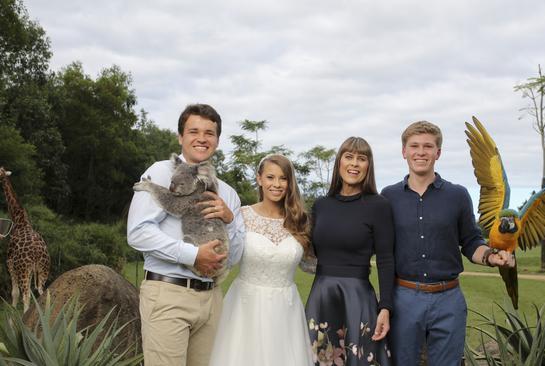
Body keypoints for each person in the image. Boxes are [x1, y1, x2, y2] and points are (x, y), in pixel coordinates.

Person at [380, 121, 515, 366]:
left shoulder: (458, 195)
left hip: (448, 300)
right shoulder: (388, 197)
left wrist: (491, 256)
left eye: (428, 146)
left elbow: (472, 241)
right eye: (414, 146)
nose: (421, 152)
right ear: (404, 151)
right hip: (403, 298)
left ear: (438, 153)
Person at [127, 103, 245, 366]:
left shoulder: (227, 193)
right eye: (193, 131)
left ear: (217, 140)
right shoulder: (160, 172)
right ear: (181, 137)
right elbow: (137, 233)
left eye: (209, 133)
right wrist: (193, 255)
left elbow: (234, 256)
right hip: (169, 294)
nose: (202, 138)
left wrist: (229, 219)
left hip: (212, 298)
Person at [209, 154, 313, 365]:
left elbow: (312, 263)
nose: (276, 184)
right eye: (270, 177)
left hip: (286, 309)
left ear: (290, 182)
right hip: (246, 307)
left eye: (283, 178)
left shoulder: (300, 220)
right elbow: (225, 255)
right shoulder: (241, 215)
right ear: (259, 179)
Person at [306, 136, 394, 366]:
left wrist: (385, 307)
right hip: (321, 297)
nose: (354, 163)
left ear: (368, 166)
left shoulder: (379, 205)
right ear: (339, 162)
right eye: (349, 157)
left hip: (358, 298)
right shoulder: (321, 205)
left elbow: (386, 260)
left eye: (361, 158)